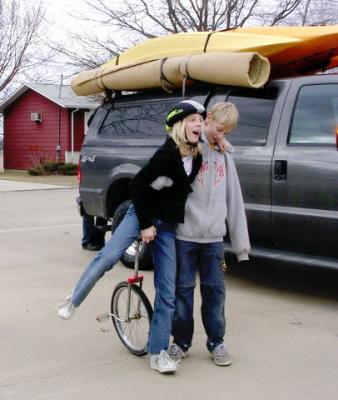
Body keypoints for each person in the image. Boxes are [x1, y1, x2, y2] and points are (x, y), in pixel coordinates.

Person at [57, 99, 207, 374]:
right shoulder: (165, 156)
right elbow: (137, 185)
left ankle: (158, 352)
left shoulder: (196, 156)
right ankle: (74, 298)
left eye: (201, 120)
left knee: (167, 292)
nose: (199, 124)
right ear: (179, 125)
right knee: (110, 255)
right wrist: (146, 224)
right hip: (141, 214)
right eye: (194, 120)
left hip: (167, 226)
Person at [168, 102, 250, 367]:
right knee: (183, 291)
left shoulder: (225, 156)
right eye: (218, 129)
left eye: (226, 133)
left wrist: (241, 245)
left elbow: (234, 199)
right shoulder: (188, 147)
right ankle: (181, 341)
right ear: (207, 118)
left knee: (215, 292)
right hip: (185, 237)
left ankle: (217, 341)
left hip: (214, 240)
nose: (221, 135)